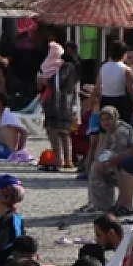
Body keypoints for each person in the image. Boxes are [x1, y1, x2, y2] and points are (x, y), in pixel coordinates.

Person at [87, 105, 133, 211]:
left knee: (96, 167)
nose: (105, 122)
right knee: (95, 166)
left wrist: (102, 162)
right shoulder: (110, 131)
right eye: (103, 120)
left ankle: (101, 204)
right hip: (115, 162)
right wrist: (100, 161)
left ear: (115, 117)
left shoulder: (121, 129)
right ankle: (98, 203)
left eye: (108, 119)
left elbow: (118, 151)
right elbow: (103, 151)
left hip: (125, 163)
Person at [42, 43, 80, 171]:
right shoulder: (75, 67)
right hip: (68, 104)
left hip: (58, 103)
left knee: (53, 131)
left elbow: (59, 83)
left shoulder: (66, 67)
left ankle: (59, 159)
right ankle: (67, 160)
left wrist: (47, 80)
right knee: (65, 134)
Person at [98, 42, 133, 123]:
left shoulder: (103, 67)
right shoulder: (126, 69)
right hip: (120, 100)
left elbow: (98, 86)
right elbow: (130, 89)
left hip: (105, 99)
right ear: (124, 54)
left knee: (105, 124)